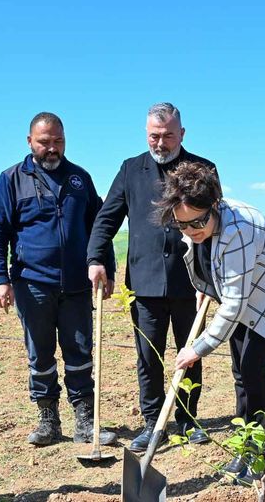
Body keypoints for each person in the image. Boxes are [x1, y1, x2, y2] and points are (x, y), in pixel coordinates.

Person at [155, 162, 265, 480]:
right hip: (249, 294)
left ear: (214, 204)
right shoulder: (194, 222)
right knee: (240, 370)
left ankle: (260, 452)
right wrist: (206, 286)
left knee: (253, 368)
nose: (190, 230)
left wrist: (197, 348)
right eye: (182, 225)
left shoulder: (237, 229)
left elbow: (234, 303)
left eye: (198, 221)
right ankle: (245, 444)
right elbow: (208, 260)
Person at [86, 102, 215, 451]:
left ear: (182, 134)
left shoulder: (203, 168)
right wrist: (96, 258)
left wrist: (213, 276)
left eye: (168, 136)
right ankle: (151, 422)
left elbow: (218, 225)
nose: (161, 143)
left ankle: (188, 421)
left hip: (193, 282)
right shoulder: (131, 170)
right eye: (154, 136)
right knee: (148, 355)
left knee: (190, 352)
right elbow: (107, 218)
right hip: (144, 283)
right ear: (146, 134)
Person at [0, 112, 117, 447]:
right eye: (45, 142)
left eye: (58, 141)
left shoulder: (79, 179)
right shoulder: (12, 179)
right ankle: (48, 421)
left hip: (76, 286)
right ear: (30, 142)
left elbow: (100, 228)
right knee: (40, 353)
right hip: (32, 284)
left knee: (80, 351)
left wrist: (108, 269)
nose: (52, 148)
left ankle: (86, 422)